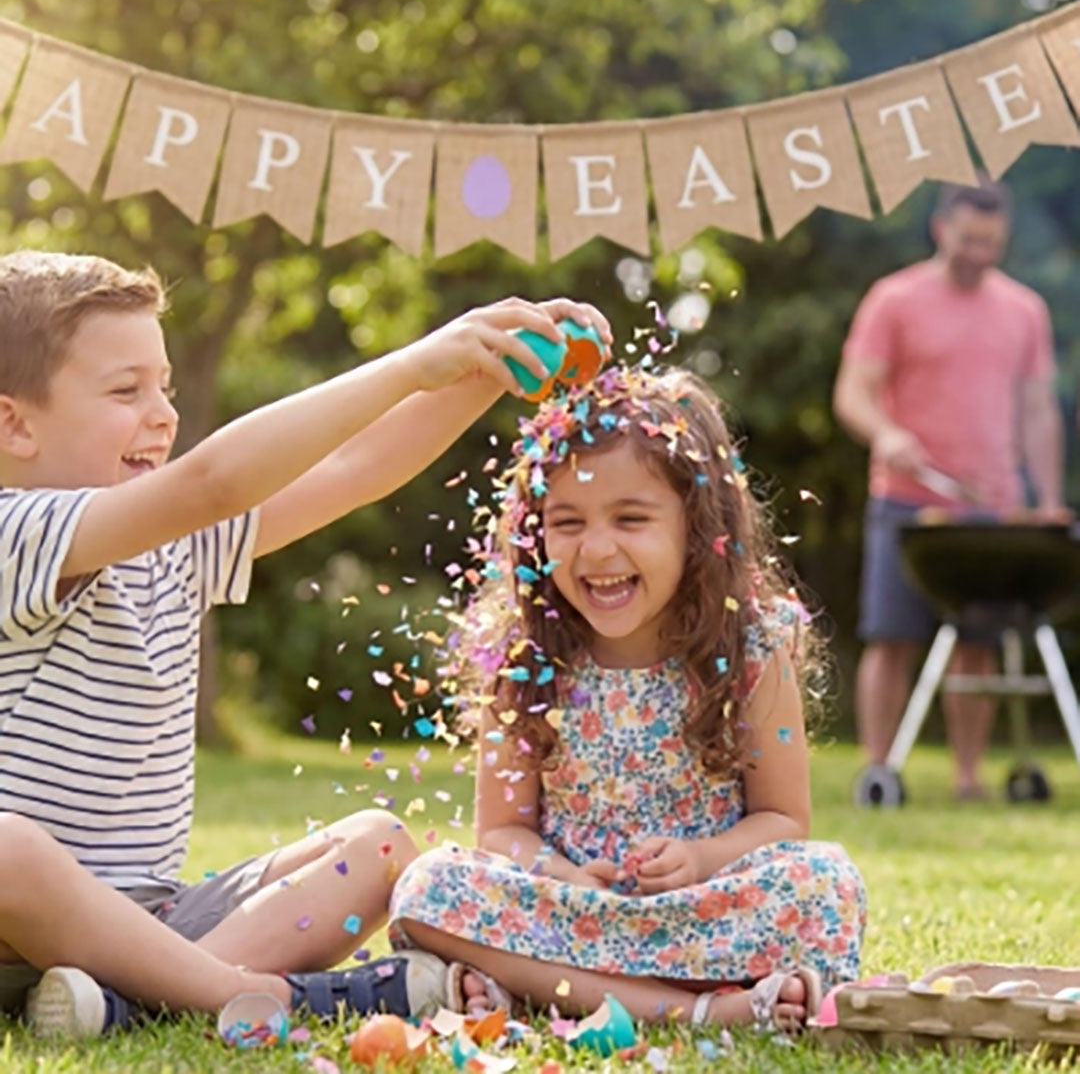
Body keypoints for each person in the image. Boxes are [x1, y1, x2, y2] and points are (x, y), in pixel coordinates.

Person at [0, 249, 612, 1036]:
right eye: (126, 391)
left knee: (379, 846)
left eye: (165, 388)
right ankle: (259, 997)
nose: (162, 414)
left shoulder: (174, 543)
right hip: (15, 916)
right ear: (13, 421)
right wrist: (415, 362)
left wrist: (486, 368)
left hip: (155, 919)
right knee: (8, 847)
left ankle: (126, 1002)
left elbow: (357, 466)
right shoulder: (15, 528)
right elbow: (212, 481)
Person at [388, 363, 867, 1032]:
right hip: (570, 904)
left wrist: (698, 861)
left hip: (697, 911)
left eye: (631, 517)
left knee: (826, 884)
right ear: (534, 536)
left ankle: (540, 988)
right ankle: (702, 1011)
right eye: (567, 522)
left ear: (698, 528)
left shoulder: (754, 648)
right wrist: (567, 879)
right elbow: (501, 832)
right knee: (426, 887)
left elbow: (784, 821)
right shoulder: (524, 659)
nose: (598, 549)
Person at [833, 176, 1066, 801]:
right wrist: (886, 433)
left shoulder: (1024, 311)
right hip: (908, 501)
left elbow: (1038, 410)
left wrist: (1044, 498)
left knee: (979, 645)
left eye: (992, 243)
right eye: (969, 240)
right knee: (891, 636)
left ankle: (968, 778)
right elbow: (852, 393)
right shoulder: (895, 298)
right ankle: (879, 770)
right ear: (942, 229)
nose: (979, 253)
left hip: (990, 504)